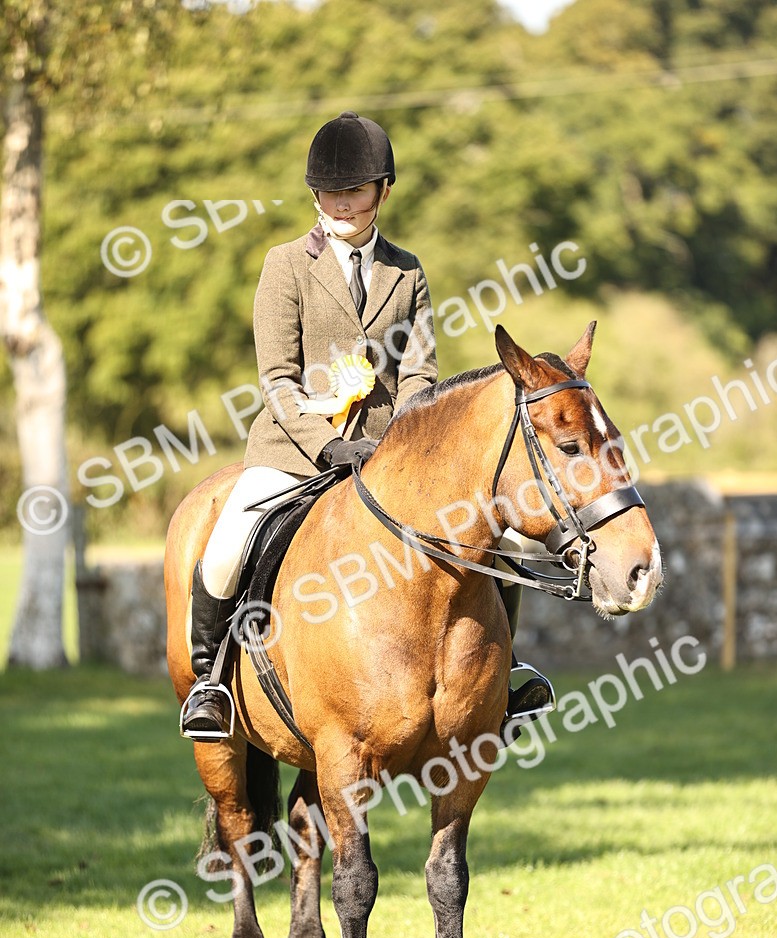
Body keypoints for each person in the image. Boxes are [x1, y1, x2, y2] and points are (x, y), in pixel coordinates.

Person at [181, 111, 553, 741]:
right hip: (295, 449)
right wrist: (327, 444)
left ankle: (504, 675)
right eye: (329, 192)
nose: (341, 203)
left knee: (496, 538)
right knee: (228, 541)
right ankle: (212, 679)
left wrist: (394, 443)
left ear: (383, 190)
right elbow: (277, 377)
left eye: (355, 190)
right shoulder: (285, 266)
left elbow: (420, 371)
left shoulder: (407, 272)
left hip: (388, 453)